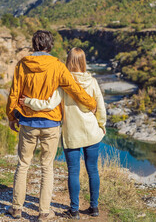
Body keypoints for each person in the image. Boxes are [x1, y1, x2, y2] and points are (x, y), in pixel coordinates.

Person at [6, 31, 97, 222]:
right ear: (50, 46)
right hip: (51, 124)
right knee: (46, 167)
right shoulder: (57, 66)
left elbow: (14, 92)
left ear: (34, 45)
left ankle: (16, 208)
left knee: (23, 164)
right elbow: (74, 88)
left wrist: (11, 115)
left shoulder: (23, 64)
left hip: (28, 123)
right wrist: (91, 103)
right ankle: (44, 212)